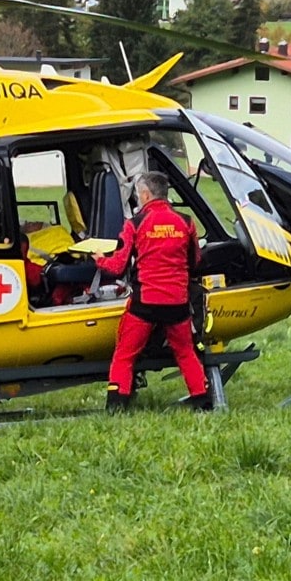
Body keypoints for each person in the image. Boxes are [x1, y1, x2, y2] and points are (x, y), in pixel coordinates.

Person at [96, 171, 213, 411]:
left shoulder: (135, 224)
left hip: (145, 304)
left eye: (139, 194)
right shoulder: (186, 222)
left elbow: (117, 266)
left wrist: (98, 259)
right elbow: (195, 261)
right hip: (178, 304)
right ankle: (202, 402)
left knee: (125, 354)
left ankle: (117, 405)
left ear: (146, 194)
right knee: (185, 352)